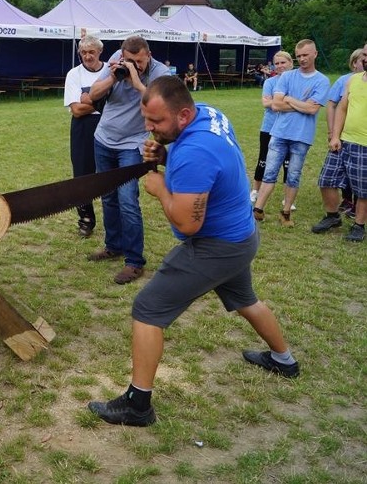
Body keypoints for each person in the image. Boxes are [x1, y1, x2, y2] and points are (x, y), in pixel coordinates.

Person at [88, 76, 300, 427]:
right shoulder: (209, 114)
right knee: (246, 300)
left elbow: (188, 225)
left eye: (157, 122)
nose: (149, 128)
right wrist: (167, 153)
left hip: (218, 245)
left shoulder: (193, 153)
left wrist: (158, 188)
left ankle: (137, 405)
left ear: (184, 115)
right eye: (147, 119)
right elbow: (204, 169)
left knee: (147, 308)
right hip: (241, 236)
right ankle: (285, 360)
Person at [86, 35, 171, 284]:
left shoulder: (161, 73)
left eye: (139, 61)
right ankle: (114, 245)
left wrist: (135, 79)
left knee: (127, 201)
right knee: (108, 196)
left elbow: (161, 106)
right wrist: (113, 76)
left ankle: (134, 262)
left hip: (132, 145)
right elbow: (92, 94)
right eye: (129, 60)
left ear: (149, 55)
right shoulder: (116, 61)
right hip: (103, 138)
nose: (134, 64)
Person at [253, 40, 330, 227]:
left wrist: (289, 98)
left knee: (293, 175)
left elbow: (313, 110)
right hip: (279, 133)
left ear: (315, 54)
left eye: (306, 55)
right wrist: (301, 104)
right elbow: (276, 104)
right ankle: (258, 210)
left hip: (302, 136)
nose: (302, 59)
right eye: (299, 56)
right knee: (269, 172)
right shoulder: (287, 77)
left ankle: (286, 213)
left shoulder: (322, 80)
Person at [316, 43, 367, 242]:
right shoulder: (353, 81)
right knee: (326, 180)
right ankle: (332, 216)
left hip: (364, 145)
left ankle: (359, 226)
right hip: (344, 141)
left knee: (363, 190)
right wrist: (336, 135)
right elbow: (342, 108)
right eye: (364, 54)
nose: (365, 58)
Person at [63, 35, 107, 238]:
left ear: (100, 52)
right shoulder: (74, 74)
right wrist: (103, 101)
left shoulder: (109, 72)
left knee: (109, 175)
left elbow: (120, 104)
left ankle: (114, 220)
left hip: (108, 126)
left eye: (91, 52)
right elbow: (77, 110)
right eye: (83, 52)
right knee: (82, 174)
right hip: (83, 127)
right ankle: (86, 220)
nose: (87, 56)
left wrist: (88, 99)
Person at [250, 51, 294, 204]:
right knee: (263, 159)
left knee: (288, 163)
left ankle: (287, 197)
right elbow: (266, 104)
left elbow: (274, 103)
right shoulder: (270, 82)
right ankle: (255, 190)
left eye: (283, 62)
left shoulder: (296, 82)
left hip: (289, 128)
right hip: (268, 127)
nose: (280, 66)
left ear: (290, 63)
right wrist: (290, 102)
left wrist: (277, 102)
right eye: (277, 63)